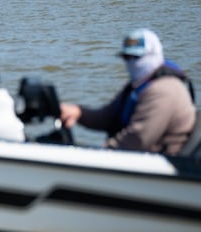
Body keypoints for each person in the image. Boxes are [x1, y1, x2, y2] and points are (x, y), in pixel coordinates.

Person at [60, 28, 196, 155]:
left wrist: (98, 154)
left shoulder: (163, 90)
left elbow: (138, 139)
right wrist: (78, 112)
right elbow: (108, 117)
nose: (131, 63)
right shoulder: (137, 86)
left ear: (154, 55)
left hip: (166, 168)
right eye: (127, 57)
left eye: (136, 57)